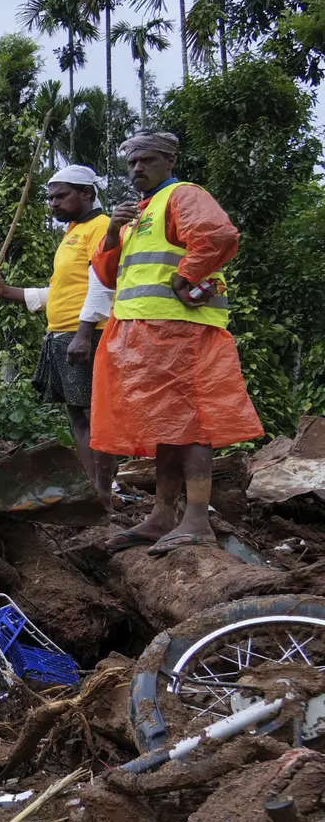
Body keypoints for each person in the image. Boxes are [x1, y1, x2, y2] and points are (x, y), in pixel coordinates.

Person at [89, 131, 262, 554]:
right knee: (169, 425)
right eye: (132, 163)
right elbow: (110, 276)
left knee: (191, 423)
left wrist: (185, 277)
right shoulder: (137, 213)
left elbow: (217, 236)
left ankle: (197, 519)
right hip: (146, 335)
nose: (137, 169)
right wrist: (112, 233)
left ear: (169, 160)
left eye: (146, 160)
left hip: (180, 332)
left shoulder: (183, 195)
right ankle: (163, 515)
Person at [0, 164, 116, 506]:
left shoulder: (101, 228)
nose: (53, 203)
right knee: (78, 414)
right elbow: (59, 291)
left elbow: (103, 284)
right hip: (64, 334)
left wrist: (84, 334)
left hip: (88, 334)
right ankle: (92, 488)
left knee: (93, 415)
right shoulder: (74, 231)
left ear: (86, 194)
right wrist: (6, 291)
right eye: (50, 197)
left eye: (61, 196)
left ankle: (102, 492)